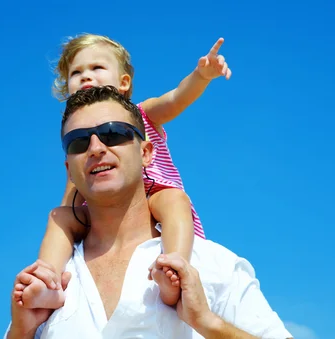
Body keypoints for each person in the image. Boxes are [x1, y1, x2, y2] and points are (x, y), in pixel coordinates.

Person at [5, 86, 293, 339]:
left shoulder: (210, 264)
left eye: (113, 133)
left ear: (146, 153)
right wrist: (21, 333)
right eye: (79, 142)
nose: (95, 148)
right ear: (69, 168)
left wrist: (208, 323)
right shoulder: (48, 285)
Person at [14, 33, 232, 309]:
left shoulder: (141, 114)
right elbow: (72, 193)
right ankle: (47, 282)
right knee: (59, 216)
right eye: (76, 72)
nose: (85, 76)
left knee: (176, 199)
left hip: (154, 193)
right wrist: (69, 223)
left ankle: (174, 267)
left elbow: (177, 98)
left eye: (96, 68)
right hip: (103, 209)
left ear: (124, 82)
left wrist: (201, 76)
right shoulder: (78, 137)